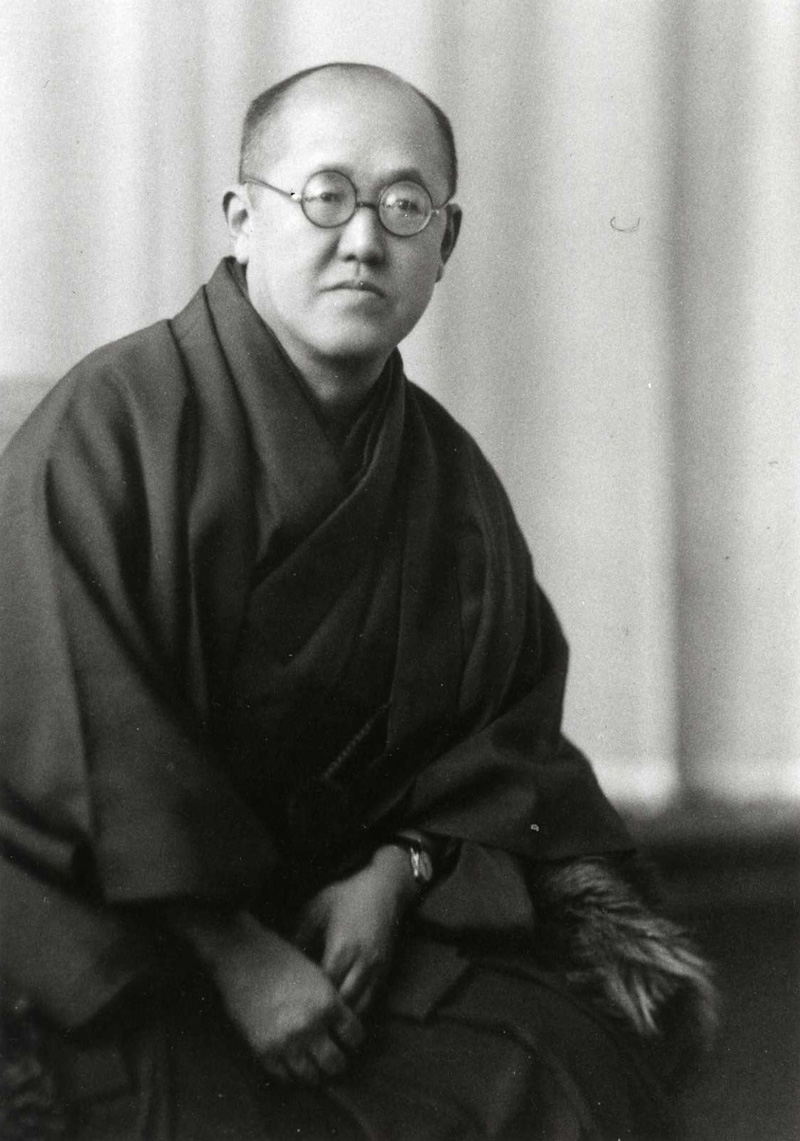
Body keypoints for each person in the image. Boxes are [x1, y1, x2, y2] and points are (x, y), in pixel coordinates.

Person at [0, 63, 713, 1140]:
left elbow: (505, 745)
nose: (365, 240)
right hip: (129, 942)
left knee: (570, 1074)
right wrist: (236, 957)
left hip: (352, 937)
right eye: (325, 196)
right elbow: (78, 751)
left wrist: (400, 869)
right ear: (243, 219)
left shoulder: (448, 480)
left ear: (446, 242)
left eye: (405, 204)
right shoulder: (108, 431)